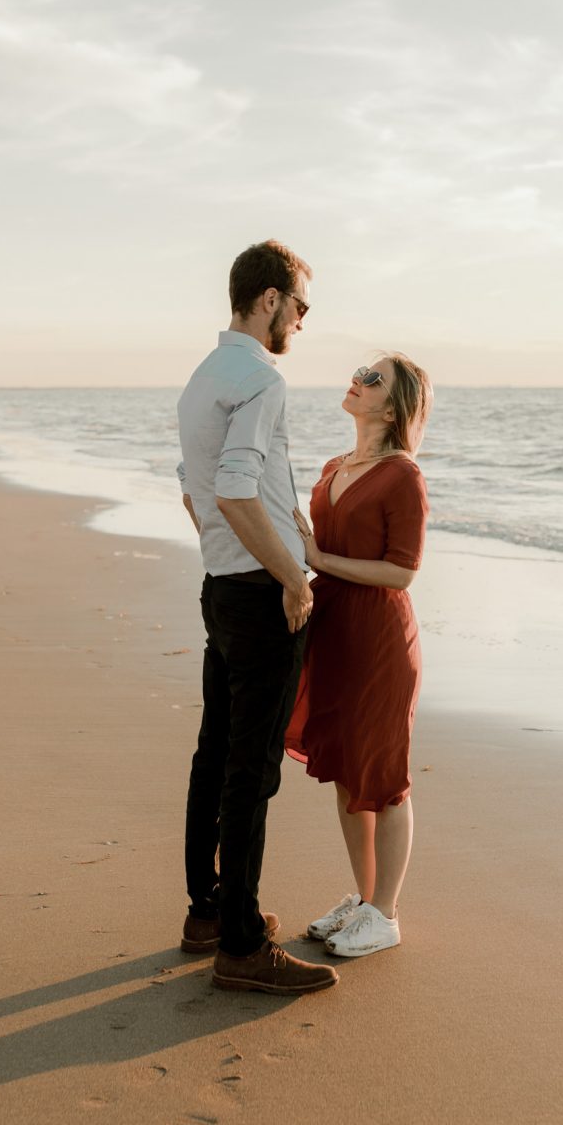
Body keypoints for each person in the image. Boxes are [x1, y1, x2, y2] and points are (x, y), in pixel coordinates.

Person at [176, 239, 338, 995]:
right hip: (258, 593)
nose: (302, 322)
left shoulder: (204, 377)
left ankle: (208, 909)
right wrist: (290, 579)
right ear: (269, 299)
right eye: (301, 306)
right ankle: (240, 942)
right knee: (252, 769)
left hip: (221, 584)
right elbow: (238, 488)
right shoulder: (260, 381)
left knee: (216, 754)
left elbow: (197, 489)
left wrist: (253, 543)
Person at [285, 354, 432, 957]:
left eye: (374, 379)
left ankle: (387, 915)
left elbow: (402, 572)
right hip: (333, 631)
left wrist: (319, 560)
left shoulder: (403, 477)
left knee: (385, 779)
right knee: (346, 774)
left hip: (377, 638)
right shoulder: (333, 466)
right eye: (360, 371)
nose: (359, 380)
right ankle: (365, 898)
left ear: (393, 407)